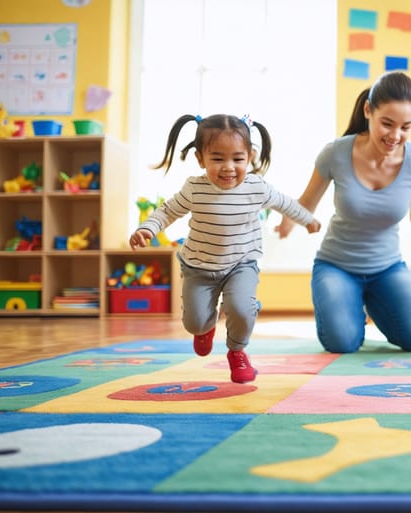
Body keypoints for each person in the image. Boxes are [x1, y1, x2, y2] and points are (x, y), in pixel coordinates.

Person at [275, 71, 411, 354]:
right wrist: (288, 218)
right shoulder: (335, 153)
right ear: (368, 111)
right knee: (342, 343)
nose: (395, 136)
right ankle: (348, 307)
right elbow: (306, 203)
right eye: (387, 124)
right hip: (336, 266)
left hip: (387, 268)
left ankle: (374, 299)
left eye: (405, 127)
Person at [130, 114, 321, 383]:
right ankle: (206, 327)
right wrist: (147, 229)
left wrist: (308, 220)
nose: (228, 167)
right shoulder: (194, 188)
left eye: (237, 159)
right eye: (217, 159)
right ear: (200, 158)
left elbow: (286, 204)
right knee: (194, 323)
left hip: (241, 263)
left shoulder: (257, 187)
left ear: (250, 156)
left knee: (241, 309)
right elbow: (167, 211)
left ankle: (237, 351)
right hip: (199, 267)